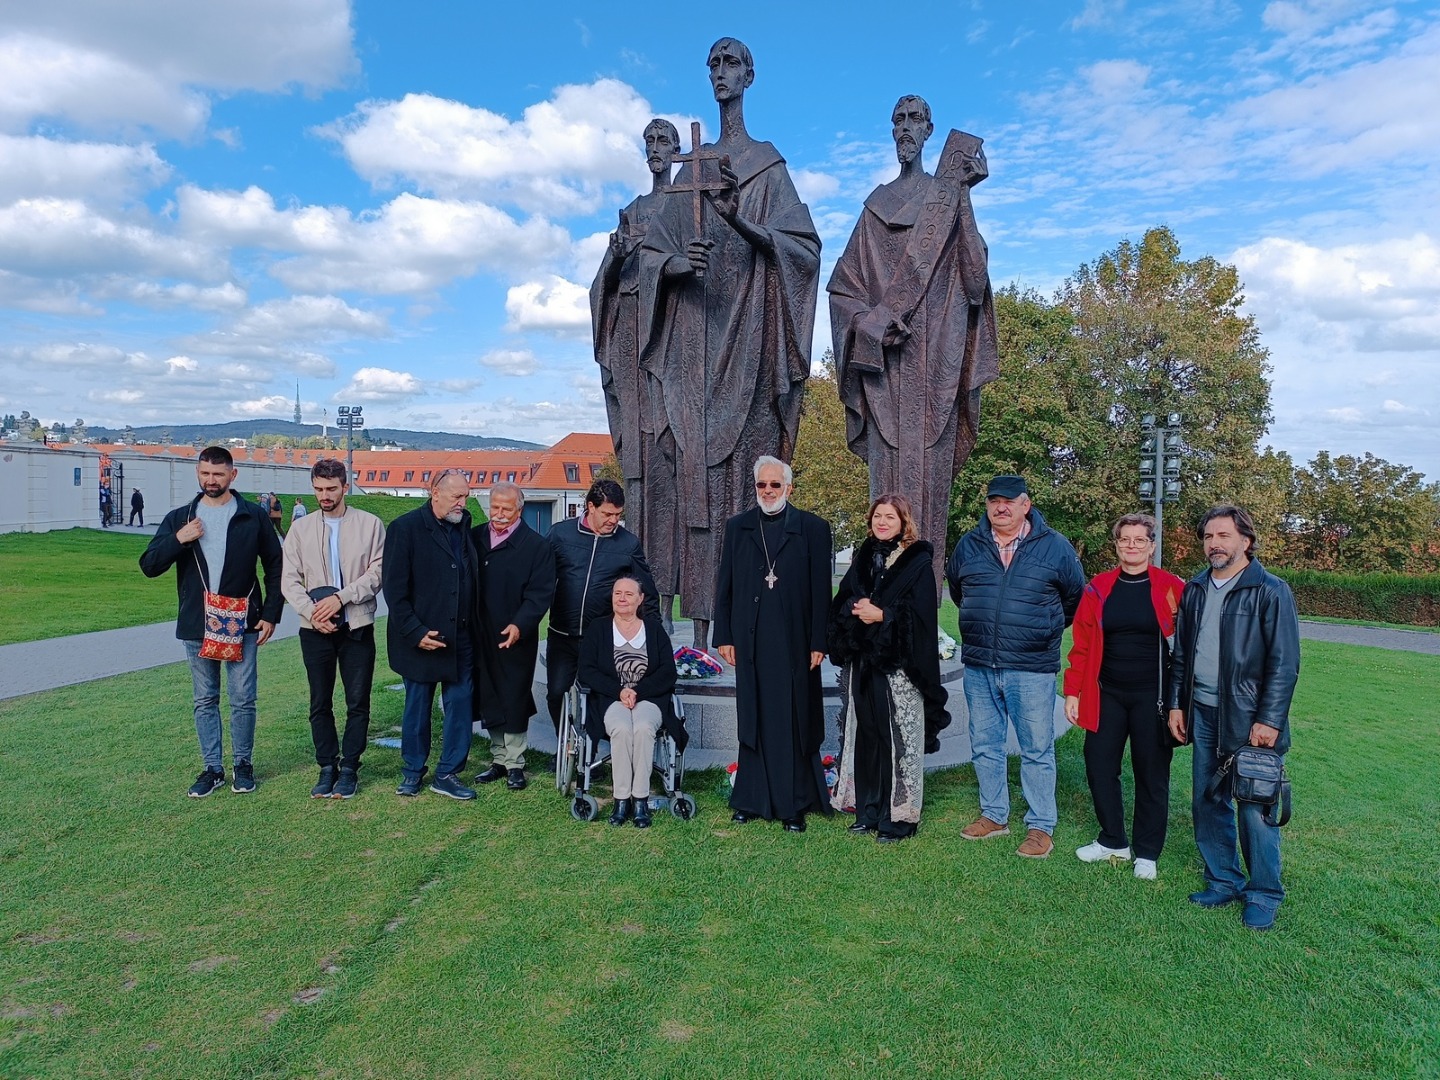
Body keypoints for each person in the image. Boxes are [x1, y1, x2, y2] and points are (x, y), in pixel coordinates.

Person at [638, 37, 821, 650]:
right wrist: (672, 266)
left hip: (749, 339)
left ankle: (751, 624)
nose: (721, 73)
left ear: (751, 74)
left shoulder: (767, 165)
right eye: (712, 64)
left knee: (749, 479)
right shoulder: (689, 168)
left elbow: (803, 248)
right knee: (694, 482)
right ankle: (699, 631)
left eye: (731, 63)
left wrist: (743, 222)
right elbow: (650, 255)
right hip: (691, 339)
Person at [828, 95, 999, 597]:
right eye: (897, 120)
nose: (905, 128)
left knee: (932, 490)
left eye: (914, 120)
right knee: (886, 491)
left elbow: (974, 281)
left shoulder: (947, 202)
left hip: (936, 373)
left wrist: (963, 194)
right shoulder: (875, 208)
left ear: (929, 130)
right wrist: (872, 325)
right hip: (885, 377)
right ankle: (881, 599)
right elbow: (843, 288)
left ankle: (923, 607)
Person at [1167, 506, 1300, 931]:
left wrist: (1270, 719)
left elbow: (1284, 663)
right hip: (1202, 712)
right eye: (1208, 536)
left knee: (1255, 804)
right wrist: (1176, 704)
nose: (1214, 544)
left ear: (1246, 540)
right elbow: (1182, 655)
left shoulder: (1270, 590)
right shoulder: (1195, 589)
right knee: (1208, 799)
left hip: (1249, 720)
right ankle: (1223, 879)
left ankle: (1263, 893)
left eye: (1223, 535)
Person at [945, 474, 1085, 858]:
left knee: (1036, 748)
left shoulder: (1055, 547)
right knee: (985, 744)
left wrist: (1041, 629)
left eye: (1009, 501)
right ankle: (994, 815)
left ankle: (1041, 826)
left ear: (1026, 504)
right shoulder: (970, 545)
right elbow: (959, 591)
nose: (1000, 507)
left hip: (1031, 666)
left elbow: (1074, 598)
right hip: (979, 665)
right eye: (993, 501)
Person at [140, 446, 283, 797]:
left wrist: (270, 614)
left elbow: (276, 565)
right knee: (205, 699)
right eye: (205, 473)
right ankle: (212, 768)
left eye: (218, 474)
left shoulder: (252, 516)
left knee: (243, 698)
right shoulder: (181, 518)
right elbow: (149, 565)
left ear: (233, 475)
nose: (211, 480)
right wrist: (179, 539)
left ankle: (243, 765)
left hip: (244, 620)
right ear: (198, 473)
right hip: (197, 622)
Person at [591, 119, 683, 617]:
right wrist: (615, 255)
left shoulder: (688, 205)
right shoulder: (633, 212)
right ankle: (642, 598)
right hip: (630, 339)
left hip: (672, 340)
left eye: (663, 143)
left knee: (673, 469)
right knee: (640, 472)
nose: (655, 150)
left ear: (676, 150)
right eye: (649, 143)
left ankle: (668, 602)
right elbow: (601, 286)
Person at [1062, 513, 1186, 879]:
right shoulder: (1098, 588)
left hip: (1154, 697)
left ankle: (1147, 852)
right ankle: (1112, 839)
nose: (1131, 545)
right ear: (1116, 544)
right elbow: (1081, 645)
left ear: (1151, 545)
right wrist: (1073, 692)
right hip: (1107, 694)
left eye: (1139, 539)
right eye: (1124, 539)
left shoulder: (1172, 587)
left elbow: (1185, 649)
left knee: (1151, 774)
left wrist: (1181, 701)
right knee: (1100, 766)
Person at [714, 456, 832, 832]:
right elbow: (726, 584)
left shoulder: (813, 528)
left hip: (795, 643)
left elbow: (820, 592)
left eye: (775, 485)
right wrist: (724, 636)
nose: (768, 491)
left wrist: (818, 641)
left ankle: (793, 802)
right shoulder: (739, 527)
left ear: (789, 488)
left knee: (792, 719)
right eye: (762, 485)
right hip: (750, 641)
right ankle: (750, 798)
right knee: (754, 718)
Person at [827, 495, 950, 842]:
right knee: (866, 734)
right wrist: (855, 607)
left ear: (903, 522)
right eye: (877, 516)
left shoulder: (917, 563)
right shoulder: (863, 557)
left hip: (898, 665)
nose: (882, 522)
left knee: (897, 738)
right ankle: (869, 809)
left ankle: (900, 818)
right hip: (863, 662)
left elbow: (922, 615)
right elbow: (842, 599)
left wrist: (884, 615)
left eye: (890, 517)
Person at [280, 458, 385, 799]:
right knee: (319, 701)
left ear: (344, 487)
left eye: (330, 489)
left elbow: (378, 573)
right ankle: (327, 766)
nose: (324, 496)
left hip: (356, 625)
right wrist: (314, 612)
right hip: (314, 629)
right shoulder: (300, 529)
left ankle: (351, 768)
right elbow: (289, 580)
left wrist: (341, 598)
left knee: (357, 701)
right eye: (318, 490)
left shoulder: (370, 525)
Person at [382, 469, 481, 800]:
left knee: (460, 705)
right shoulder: (404, 529)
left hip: (461, 638)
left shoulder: (464, 526)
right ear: (434, 492)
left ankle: (449, 773)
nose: (463, 503)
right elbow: (395, 592)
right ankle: (412, 771)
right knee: (417, 708)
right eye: (457, 496)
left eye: (466, 496)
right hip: (421, 639)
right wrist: (415, 631)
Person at [545, 478, 658, 735]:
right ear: (590, 507)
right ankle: (568, 746)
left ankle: (591, 752)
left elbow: (647, 592)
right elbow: (537, 577)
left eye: (618, 515)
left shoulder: (628, 544)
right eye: (607, 514)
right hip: (562, 634)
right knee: (556, 693)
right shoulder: (560, 534)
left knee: (599, 696)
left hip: (602, 638)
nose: (613, 521)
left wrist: (653, 634)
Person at [578, 576, 684, 828]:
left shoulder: (654, 630)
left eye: (628, 593)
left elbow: (668, 672)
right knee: (623, 729)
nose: (622, 598)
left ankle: (640, 800)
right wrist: (619, 691)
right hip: (610, 698)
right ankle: (621, 799)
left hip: (649, 698)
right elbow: (587, 670)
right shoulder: (599, 628)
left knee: (644, 728)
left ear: (640, 599)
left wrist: (637, 690)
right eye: (617, 593)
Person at [471, 482, 555, 791]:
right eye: (495, 507)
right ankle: (498, 759)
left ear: (519, 509)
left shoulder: (536, 546)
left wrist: (521, 624)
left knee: (514, 695)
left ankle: (516, 763)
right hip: (480, 632)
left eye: (507, 508)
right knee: (488, 693)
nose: (500, 514)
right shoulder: (475, 537)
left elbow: (540, 593)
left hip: (516, 635)